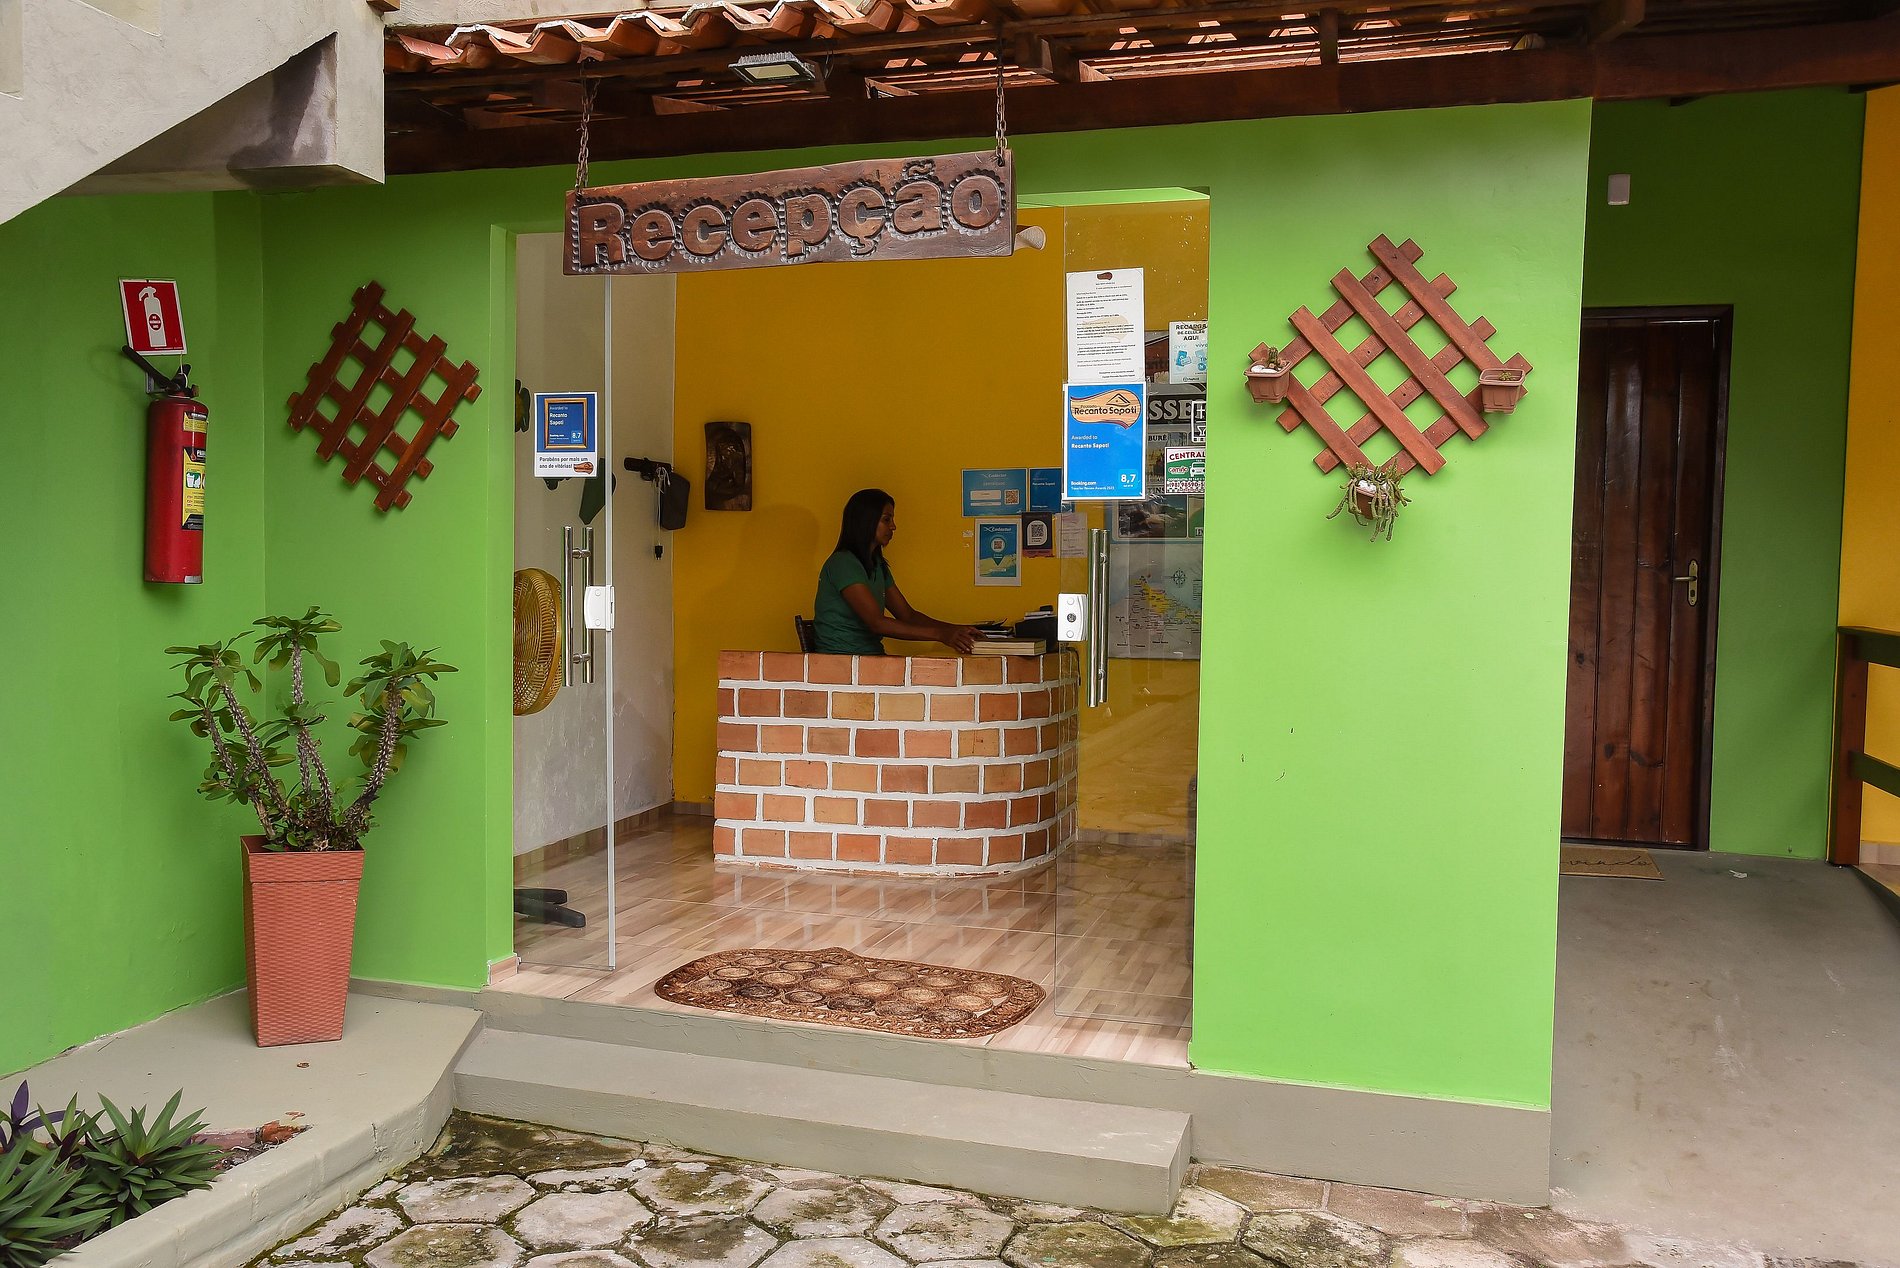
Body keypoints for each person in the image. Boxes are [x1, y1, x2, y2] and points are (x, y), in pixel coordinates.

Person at [815, 489, 980, 656]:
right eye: (886, 519)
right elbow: (877, 623)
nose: (893, 526)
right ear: (866, 521)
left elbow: (908, 615)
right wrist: (941, 635)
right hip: (841, 660)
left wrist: (955, 630)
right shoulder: (843, 563)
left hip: (869, 658)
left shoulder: (877, 564)